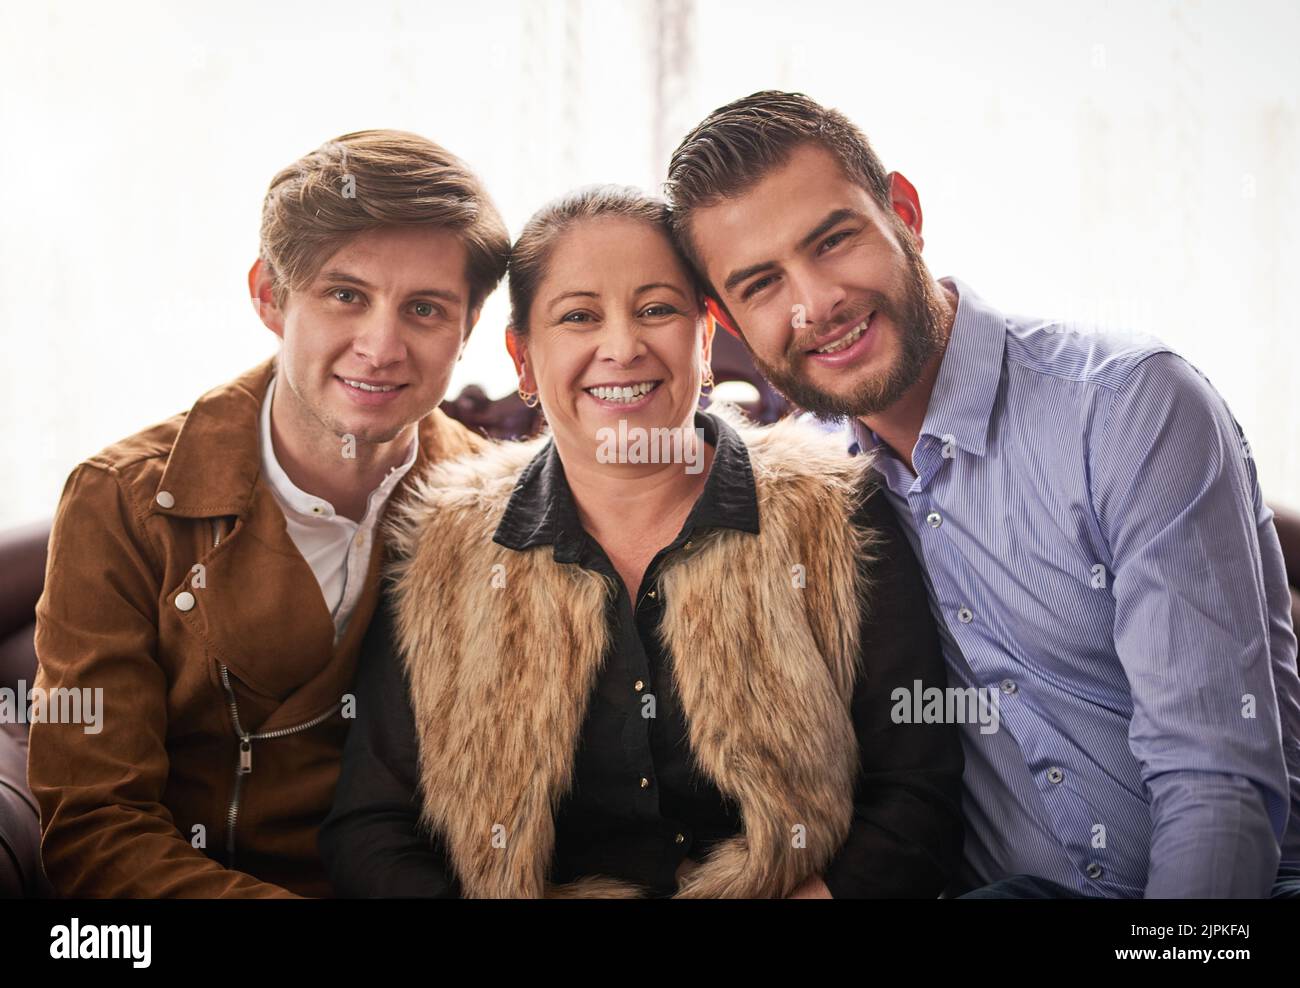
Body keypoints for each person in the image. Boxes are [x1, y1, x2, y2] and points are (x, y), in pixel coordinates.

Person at [663, 90, 1300, 898]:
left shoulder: (1127, 407)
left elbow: (1215, 784)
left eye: (833, 240)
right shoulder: (810, 499)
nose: (815, 303)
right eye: (761, 284)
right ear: (727, 321)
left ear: (904, 214)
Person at [319, 185, 964, 898]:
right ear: (523, 359)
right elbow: (371, 828)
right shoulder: (442, 542)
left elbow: (917, 795)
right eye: (579, 317)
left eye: (656, 310)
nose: (623, 348)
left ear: (704, 340)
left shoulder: (836, 510)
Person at [27, 130, 510, 897]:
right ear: (269, 296)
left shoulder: (505, 509)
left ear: (468, 329)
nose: (381, 347)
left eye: (424, 309)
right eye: (345, 296)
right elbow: (96, 826)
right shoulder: (120, 499)